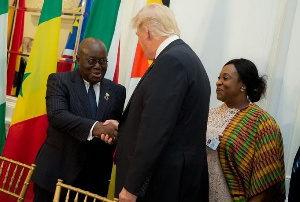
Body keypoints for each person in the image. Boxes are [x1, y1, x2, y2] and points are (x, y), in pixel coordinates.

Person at [114, 3, 211, 202]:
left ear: (147, 32)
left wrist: (132, 187)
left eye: (138, 36)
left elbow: (155, 130)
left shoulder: (171, 62)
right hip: (177, 179)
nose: (140, 44)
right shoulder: (186, 57)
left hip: (162, 183)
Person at [32, 37, 126, 201]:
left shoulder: (117, 91)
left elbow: (115, 126)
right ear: (78, 59)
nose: (98, 66)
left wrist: (115, 133)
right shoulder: (59, 81)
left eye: (103, 61)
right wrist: (97, 128)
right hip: (57, 174)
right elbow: (58, 116)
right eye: (92, 61)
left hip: (94, 181)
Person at [206, 58, 285, 201]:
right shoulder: (209, 114)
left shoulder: (262, 123)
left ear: (243, 85)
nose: (218, 82)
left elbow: (266, 180)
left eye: (226, 78)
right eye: (219, 78)